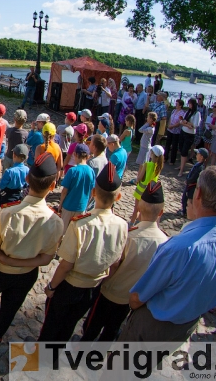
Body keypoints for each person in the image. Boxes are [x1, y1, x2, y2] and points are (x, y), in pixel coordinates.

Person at [120, 167, 216, 343]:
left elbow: (137, 297)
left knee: (119, 368)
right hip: (187, 324)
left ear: (198, 194)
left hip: (154, 325)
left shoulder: (179, 248)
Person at [0, 152, 63, 351]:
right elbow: (46, 258)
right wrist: (21, 263)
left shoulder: (7, 212)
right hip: (27, 274)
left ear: (27, 180)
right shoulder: (56, 222)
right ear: (52, 186)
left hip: (0, 269)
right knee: (9, 309)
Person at [38, 162, 128, 342]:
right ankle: (55, 355)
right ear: (118, 197)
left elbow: (66, 265)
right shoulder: (123, 225)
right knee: (70, 323)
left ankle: (39, 358)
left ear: (93, 193)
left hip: (70, 285)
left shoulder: (81, 224)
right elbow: (116, 262)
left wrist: (52, 287)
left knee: (53, 322)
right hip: (92, 288)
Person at [81, 181, 169, 341]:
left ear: (139, 208)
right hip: (131, 297)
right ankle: (96, 358)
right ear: (161, 212)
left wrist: (101, 281)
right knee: (112, 328)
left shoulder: (130, 235)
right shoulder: (165, 243)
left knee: (93, 324)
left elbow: (114, 264)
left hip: (110, 291)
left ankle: (80, 352)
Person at [59, 144, 95, 230]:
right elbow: (92, 192)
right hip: (81, 207)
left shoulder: (72, 171)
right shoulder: (91, 171)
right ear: (88, 156)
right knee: (76, 232)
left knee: (62, 230)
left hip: (68, 206)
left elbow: (64, 191)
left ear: (75, 154)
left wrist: (60, 205)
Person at [132, 145, 164, 224]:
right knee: (142, 210)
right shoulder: (159, 166)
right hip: (149, 191)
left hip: (140, 190)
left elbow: (140, 178)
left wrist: (136, 180)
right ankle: (138, 223)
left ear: (152, 153)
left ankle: (131, 223)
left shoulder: (147, 164)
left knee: (136, 208)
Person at [0, 144, 29, 211]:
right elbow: (27, 184)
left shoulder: (9, 171)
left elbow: (1, 185)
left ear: (14, 155)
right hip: (19, 195)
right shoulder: (27, 170)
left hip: (8, 196)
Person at [178, 98, 202, 176]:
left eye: (190, 104)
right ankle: (181, 165)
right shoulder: (188, 112)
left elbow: (194, 125)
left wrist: (187, 123)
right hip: (183, 131)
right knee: (181, 149)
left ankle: (181, 170)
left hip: (190, 134)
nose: (189, 105)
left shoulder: (197, 113)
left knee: (185, 151)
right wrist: (186, 124)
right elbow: (181, 122)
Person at [182, 148, 208, 218]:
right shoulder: (197, 164)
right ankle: (184, 210)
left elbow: (194, 177)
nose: (196, 155)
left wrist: (188, 180)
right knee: (184, 198)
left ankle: (186, 212)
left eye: (198, 154)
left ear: (201, 157)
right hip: (189, 184)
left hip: (192, 186)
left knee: (188, 199)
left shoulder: (200, 168)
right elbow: (191, 173)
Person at [164, 99, 186, 166]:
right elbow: (170, 118)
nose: (176, 105)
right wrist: (168, 125)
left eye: (177, 104)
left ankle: (172, 160)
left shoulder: (182, 113)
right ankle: (165, 157)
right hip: (170, 130)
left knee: (174, 146)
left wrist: (173, 126)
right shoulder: (174, 111)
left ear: (180, 105)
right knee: (167, 144)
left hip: (176, 131)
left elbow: (179, 122)